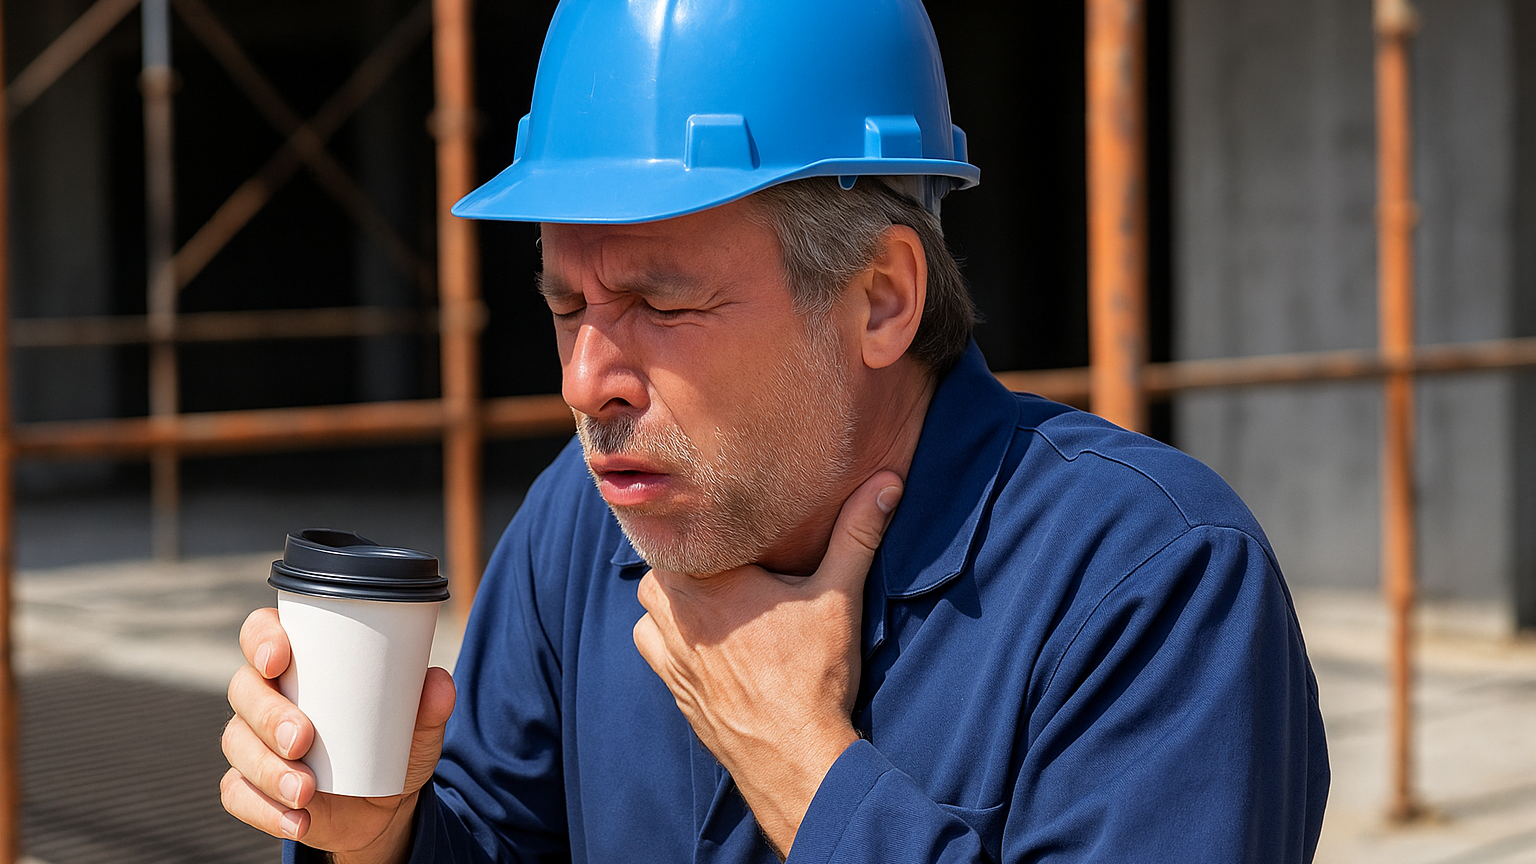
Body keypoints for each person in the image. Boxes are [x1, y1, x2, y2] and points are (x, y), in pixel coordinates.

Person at [222, 1, 1330, 861]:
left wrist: (805, 769)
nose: (585, 382)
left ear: (881, 299)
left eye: (660, 306)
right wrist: (381, 839)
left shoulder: (1152, 583)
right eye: (567, 307)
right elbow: (496, 836)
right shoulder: (584, 520)